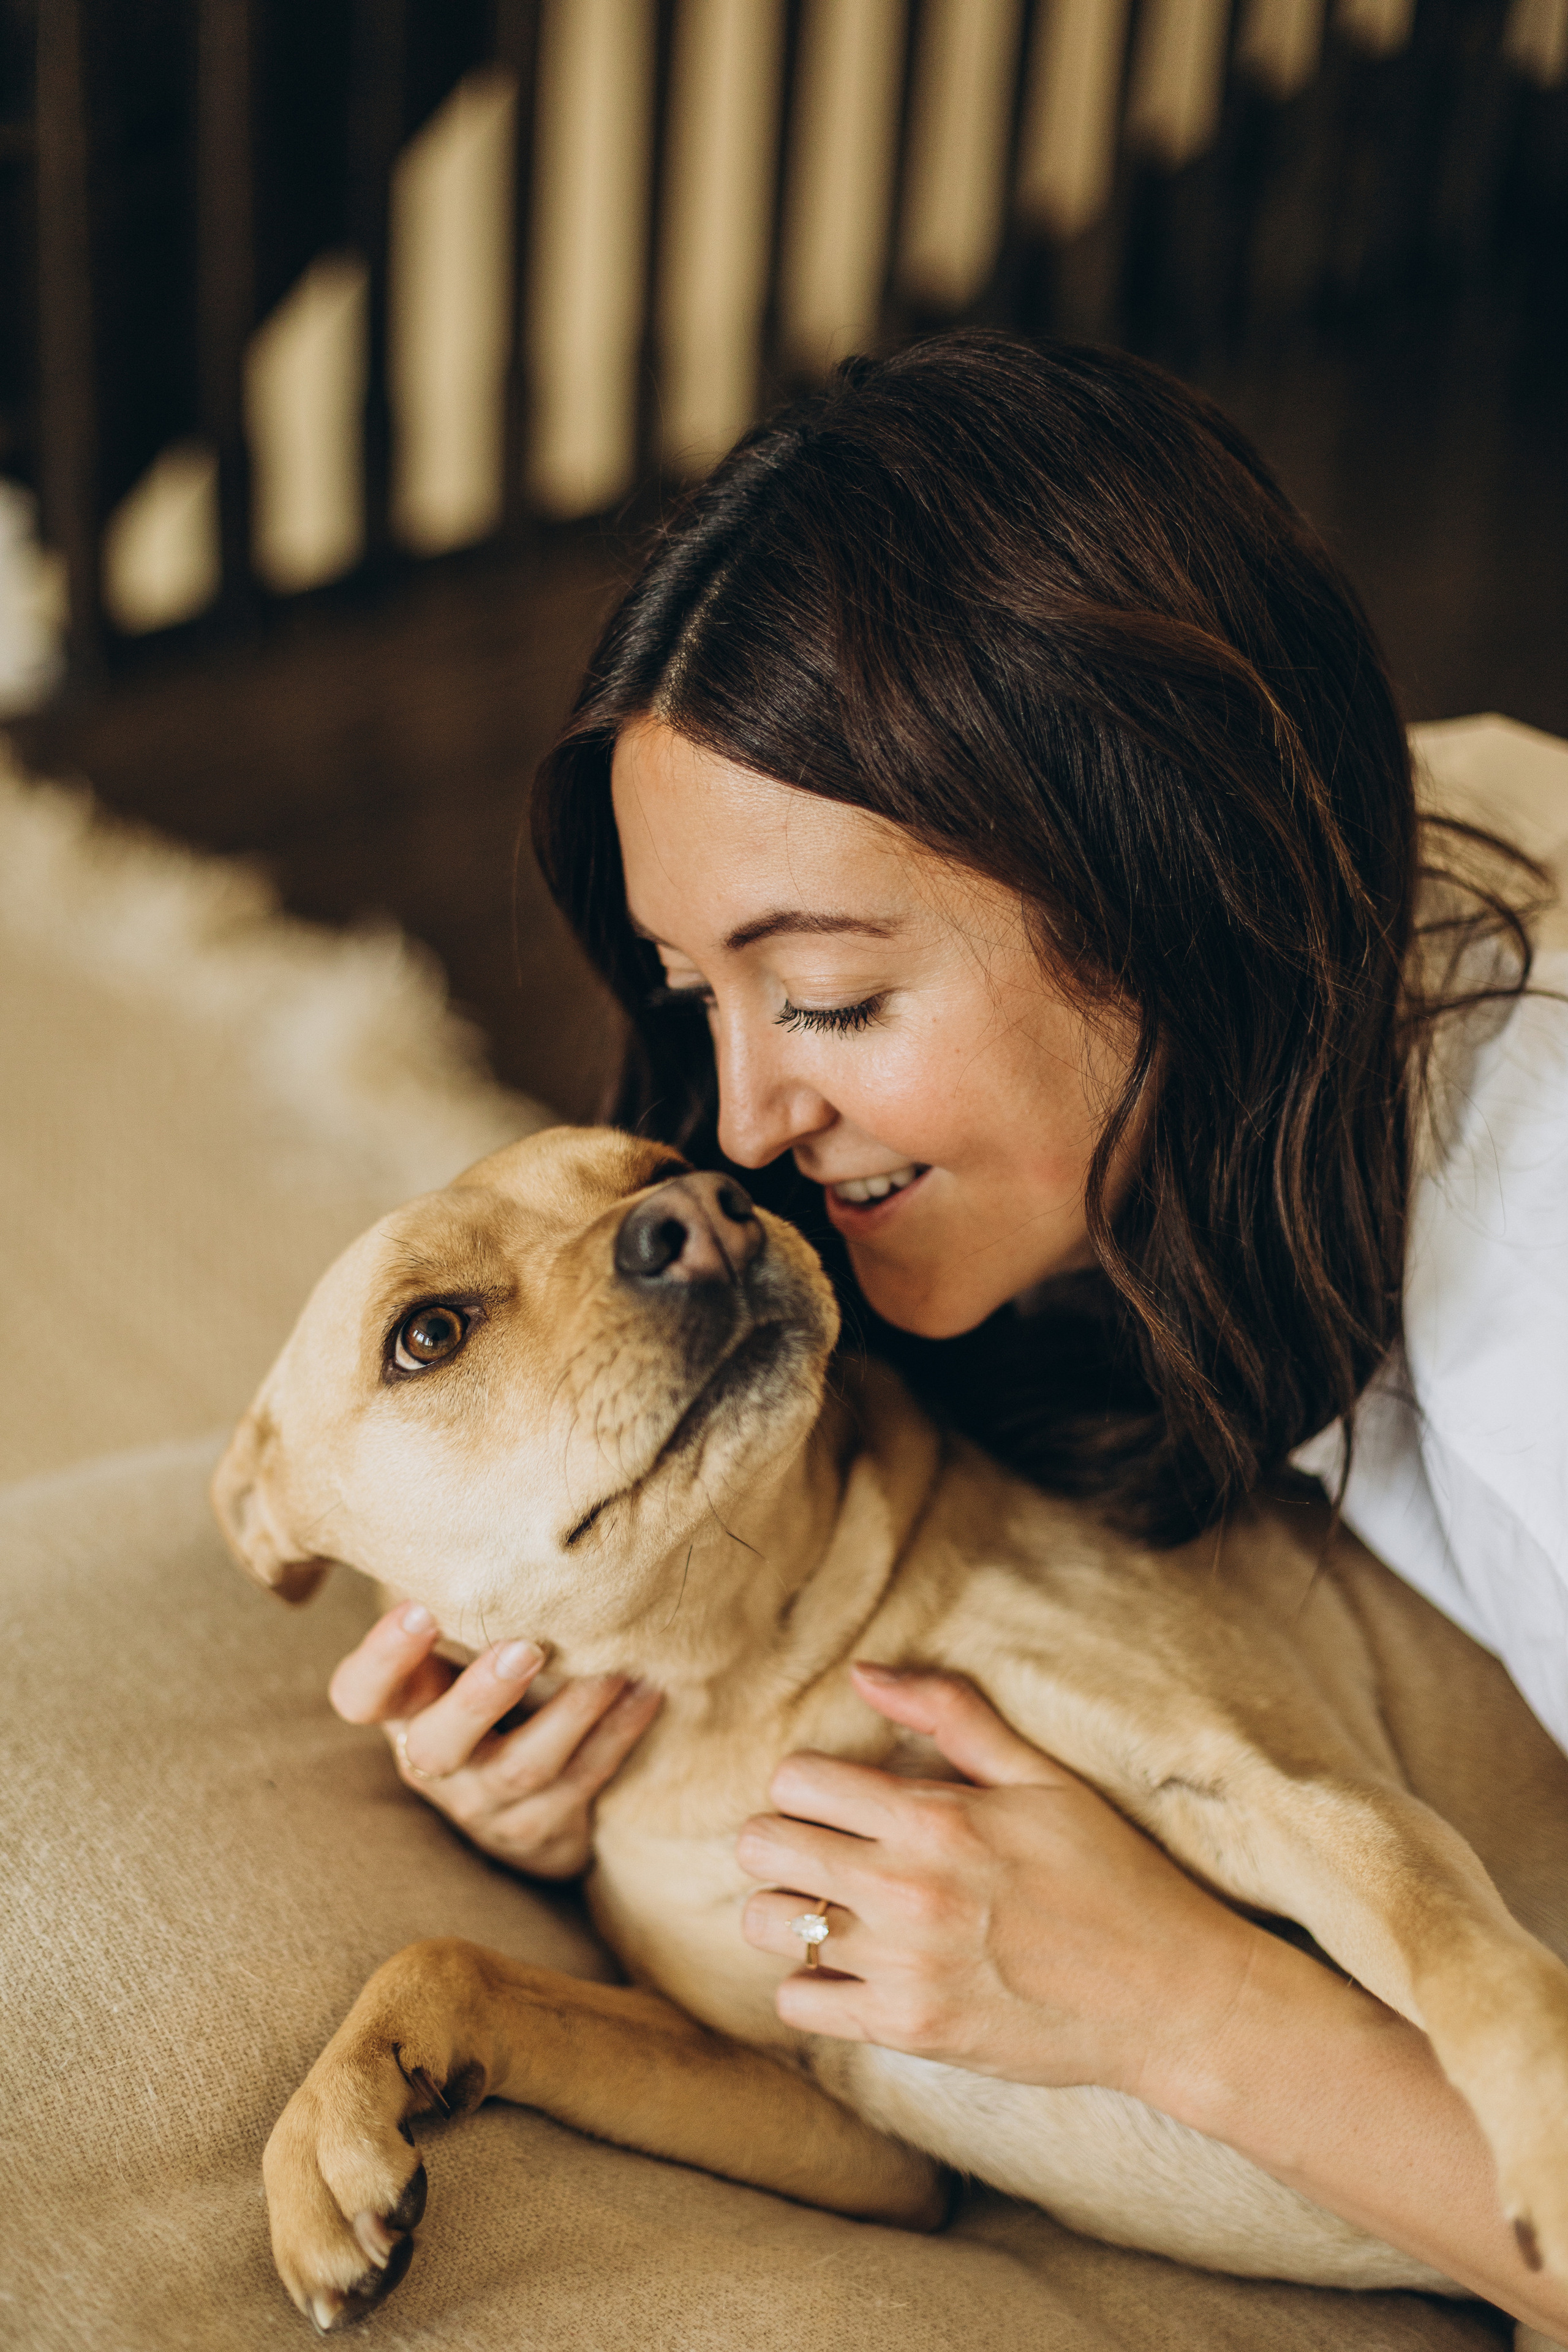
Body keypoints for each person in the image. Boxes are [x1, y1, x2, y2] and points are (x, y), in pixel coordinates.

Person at [328, 335, 1568, 2334]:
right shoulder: (1331, 893)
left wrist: (1184, 2006)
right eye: (694, 989)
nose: (739, 1129)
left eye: (821, 993)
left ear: (1169, 884)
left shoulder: (1538, 1304)